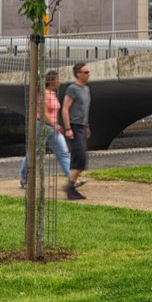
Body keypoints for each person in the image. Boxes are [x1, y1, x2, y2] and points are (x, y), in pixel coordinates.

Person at [18, 70, 69, 190]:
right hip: (44, 126)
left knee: (63, 153)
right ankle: (23, 176)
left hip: (53, 128)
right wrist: (54, 124)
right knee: (34, 151)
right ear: (52, 81)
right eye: (57, 79)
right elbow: (44, 112)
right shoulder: (43, 94)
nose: (59, 81)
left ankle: (71, 178)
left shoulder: (53, 93)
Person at [61, 61, 93, 200]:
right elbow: (65, 109)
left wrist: (86, 126)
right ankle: (71, 188)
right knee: (79, 157)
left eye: (88, 72)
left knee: (81, 158)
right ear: (78, 74)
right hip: (74, 126)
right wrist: (68, 128)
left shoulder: (86, 89)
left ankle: (71, 186)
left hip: (82, 126)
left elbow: (84, 110)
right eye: (85, 72)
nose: (88, 74)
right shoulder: (72, 89)